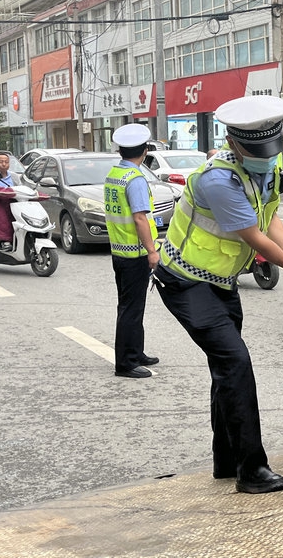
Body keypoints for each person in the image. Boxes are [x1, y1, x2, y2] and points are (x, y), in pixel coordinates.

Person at [152, 95, 283, 495]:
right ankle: (251, 470)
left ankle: (225, 461)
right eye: (257, 150)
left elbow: (270, 218)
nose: (267, 157)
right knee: (235, 363)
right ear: (233, 143)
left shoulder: (267, 166)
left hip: (222, 282)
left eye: (272, 148)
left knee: (226, 369)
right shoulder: (217, 181)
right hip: (185, 282)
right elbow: (253, 235)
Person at [105, 124, 161, 379]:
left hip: (120, 251)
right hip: (135, 254)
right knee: (131, 308)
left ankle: (136, 352)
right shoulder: (135, 179)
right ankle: (126, 363)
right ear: (145, 150)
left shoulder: (115, 173)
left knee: (131, 306)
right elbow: (140, 218)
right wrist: (152, 251)